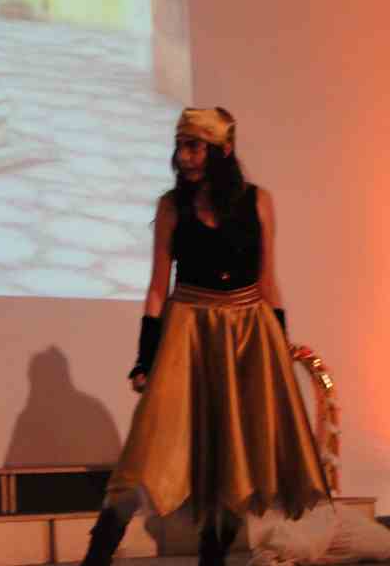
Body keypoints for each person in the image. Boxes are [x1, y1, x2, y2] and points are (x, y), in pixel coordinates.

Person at [80, 107, 330, 566]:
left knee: (237, 455)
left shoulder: (258, 201)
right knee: (150, 445)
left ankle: (212, 559)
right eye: (181, 147)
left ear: (224, 149)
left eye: (195, 147)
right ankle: (97, 555)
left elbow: (268, 282)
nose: (185, 157)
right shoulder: (171, 206)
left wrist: (279, 348)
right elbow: (158, 288)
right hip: (188, 330)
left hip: (248, 330)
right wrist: (145, 358)